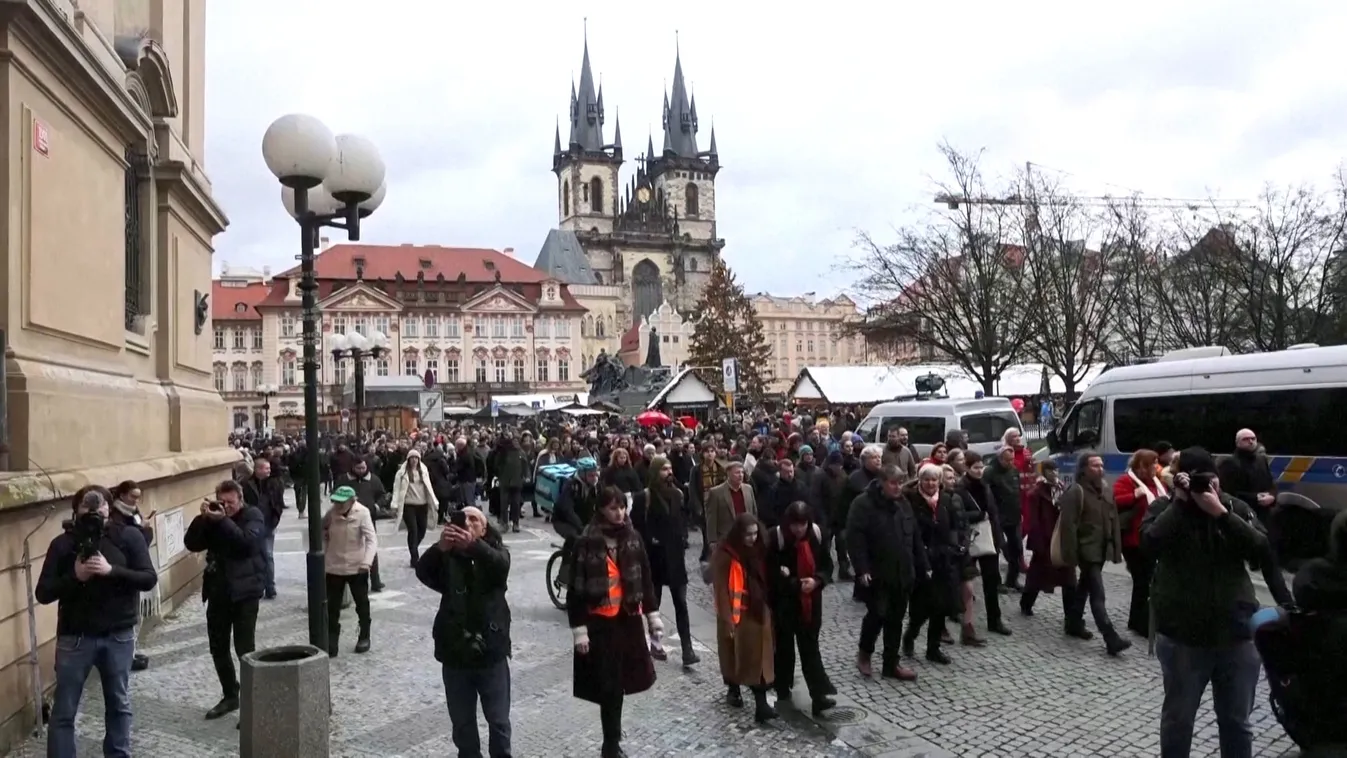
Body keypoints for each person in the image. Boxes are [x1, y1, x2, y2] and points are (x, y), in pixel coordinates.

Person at [1141, 447, 1269, 758]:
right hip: (1183, 637)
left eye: (1207, 479)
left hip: (1235, 635)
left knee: (1237, 722)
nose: (1201, 487)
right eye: (1193, 480)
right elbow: (1148, 546)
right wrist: (1180, 505)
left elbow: (1262, 550)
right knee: (1178, 721)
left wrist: (1222, 514)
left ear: (1218, 480)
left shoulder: (1232, 507)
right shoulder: (1165, 507)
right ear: (1177, 480)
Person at [37, 487, 158, 758]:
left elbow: (149, 578)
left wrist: (111, 570)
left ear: (109, 508)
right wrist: (75, 576)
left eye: (99, 505)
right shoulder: (63, 543)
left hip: (119, 635)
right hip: (74, 637)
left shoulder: (128, 536)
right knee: (64, 710)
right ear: (76, 511)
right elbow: (43, 593)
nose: (93, 512)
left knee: (118, 704)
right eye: (86, 507)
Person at [568, 486, 660, 758]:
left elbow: (645, 578)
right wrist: (579, 631)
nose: (619, 512)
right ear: (601, 509)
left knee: (622, 682)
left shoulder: (633, 536)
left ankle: (612, 742)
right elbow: (575, 590)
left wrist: (652, 616)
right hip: (600, 624)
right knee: (607, 686)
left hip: (628, 619)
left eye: (621, 507)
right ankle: (610, 745)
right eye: (612, 508)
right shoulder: (586, 541)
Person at [416, 506, 514, 758]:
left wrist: (474, 547)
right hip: (455, 651)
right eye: (463, 518)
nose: (468, 523)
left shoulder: (495, 553)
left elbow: (501, 566)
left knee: (499, 720)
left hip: (491, 650)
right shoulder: (448, 558)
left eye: (475, 520)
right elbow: (423, 572)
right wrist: (440, 548)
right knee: (462, 723)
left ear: (484, 529)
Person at [183, 479, 266, 720]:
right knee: (218, 647)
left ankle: (252, 704)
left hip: (246, 592)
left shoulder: (253, 515)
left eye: (230, 502)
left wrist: (223, 521)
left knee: (245, 650)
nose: (226, 506)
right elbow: (192, 543)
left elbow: (246, 544)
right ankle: (231, 694)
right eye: (222, 502)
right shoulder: (213, 519)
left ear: (240, 500)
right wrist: (202, 520)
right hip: (218, 591)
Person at [847, 464, 927, 681]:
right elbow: (855, 539)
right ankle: (865, 653)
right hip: (877, 573)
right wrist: (862, 569)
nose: (898, 487)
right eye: (893, 483)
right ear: (882, 482)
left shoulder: (903, 504)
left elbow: (914, 536)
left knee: (896, 619)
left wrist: (923, 564)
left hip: (902, 572)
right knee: (877, 615)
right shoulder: (863, 504)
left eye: (901, 483)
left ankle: (891, 663)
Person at [766, 501, 836, 716]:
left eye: (802, 524)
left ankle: (818, 695)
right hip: (785, 603)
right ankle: (782, 688)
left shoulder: (816, 535)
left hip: (810, 603)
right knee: (784, 648)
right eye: (795, 524)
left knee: (810, 649)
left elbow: (827, 565)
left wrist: (817, 581)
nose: (798, 529)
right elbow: (770, 573)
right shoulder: (775, 538)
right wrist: (795, 583)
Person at [630, 456, 699, 666]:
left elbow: (682, 519)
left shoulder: (678, 494)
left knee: (681, 605)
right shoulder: (644, 497)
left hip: (675, 558)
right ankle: (656, 644)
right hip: (654, 558)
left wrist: (682, 537)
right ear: (655, 472)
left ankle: (687, 649)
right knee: (654, 604)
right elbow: (636, 526)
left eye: (670, 469)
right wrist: (648, 541)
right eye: (664, 469)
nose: (669, 472)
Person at [711, 513, 778, 723]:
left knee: (758, 658)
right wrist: (728, 618)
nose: (752, 538)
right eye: (748, 534)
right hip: (737, 613)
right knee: (734, 655)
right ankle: (734, 689)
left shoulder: (759, 549)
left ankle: (761, 705)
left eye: (755, 533)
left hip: (758, 610)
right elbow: (721, 589)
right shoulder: (725, 554)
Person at [901, 464, 964, 664]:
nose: (930, 484)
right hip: (922, 561)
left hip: (944, 560)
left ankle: (933, 648)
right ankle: (910, 635)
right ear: (920, 481)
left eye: (934, 480)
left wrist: (957, 546)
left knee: (942, 607)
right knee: (921, 609)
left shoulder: (946, 500)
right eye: (927, 480)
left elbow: (956, 526)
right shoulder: (911, 501)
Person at [1113, 449, 1166, 637]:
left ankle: (1141, 619)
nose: (1156, 466)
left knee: (1148, 581)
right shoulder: (1126, 481)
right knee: (1142, 581)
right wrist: (1133, 495)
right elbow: (1115, 501)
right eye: (1152, 463)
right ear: (1141, 465)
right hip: (1134, 541)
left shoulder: (1157, 483)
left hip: (1151, 538)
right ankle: (1139, 621)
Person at [323, 486, 377, 656]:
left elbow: (371, 539)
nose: (337, 505)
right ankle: (332, 640)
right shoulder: (331, 513)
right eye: (335, 501)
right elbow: (320, 530)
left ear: (352, 501)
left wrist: (367, 562)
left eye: (341, 502)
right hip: (334, 566)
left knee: (362, 603)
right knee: (332, 607)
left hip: (357, 566)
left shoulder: (363, 513)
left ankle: (364, 635)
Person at [109, 480, 154, 672]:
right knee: (128, 616)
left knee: (135, 614)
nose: (136, 500)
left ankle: (130, 652)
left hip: (135, 568)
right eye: (133, 496)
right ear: (122, 495)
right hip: (125, 570)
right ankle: (126, 654)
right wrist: (142, 529)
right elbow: (132, 542)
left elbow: (142, 543)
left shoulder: (133, 512)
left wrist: (145, 528)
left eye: (138, 497)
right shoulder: (116, 515)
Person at [241, 457, 286, 600]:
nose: (269, 471)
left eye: (269, 468)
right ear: (257, 469)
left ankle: (270, 586)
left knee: (268, 555)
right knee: (252, 556)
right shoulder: (245, 484)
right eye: (266, 468)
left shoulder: (274, 483)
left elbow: (278, 502)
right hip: (251, 526)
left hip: (268, 524)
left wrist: (275, 519)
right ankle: (256, 586)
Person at [392, 448, 439, 567]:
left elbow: (429, 487)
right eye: (412, 458)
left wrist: (433, 500)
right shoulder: (402, 473)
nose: (414, 460)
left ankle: (413, 547)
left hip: (422, 504)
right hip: (408, 505)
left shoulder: (423, 470)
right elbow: (396, 488)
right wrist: (395, 503)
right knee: (413, 530)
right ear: (408, 459)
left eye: (416, 458)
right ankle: (414, 558)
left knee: (422, 530)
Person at [703, 461, 758, 549]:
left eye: (742, 472)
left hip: (746, 535)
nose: (740, 475)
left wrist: (755, 531)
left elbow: (754, 511)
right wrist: (712, 540)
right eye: (737, 472)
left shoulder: (748, 489)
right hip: (726, 536)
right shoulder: (716, 492)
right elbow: (711, 518)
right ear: (728, 474)